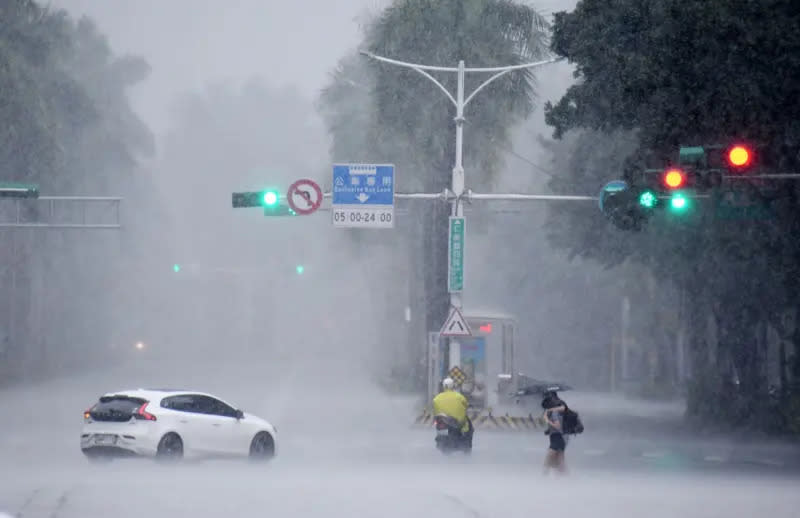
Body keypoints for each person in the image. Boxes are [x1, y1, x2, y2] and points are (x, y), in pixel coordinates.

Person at [432, 377, 473, 445]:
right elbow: (466, 405)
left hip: (442, 421)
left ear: (443, 386)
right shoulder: (459, 396)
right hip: (457, 423)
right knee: (466, 426)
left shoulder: (436, 398)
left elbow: (435, 409)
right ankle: (466, 444)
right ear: (453, 386)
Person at [542, 392, 568, 475]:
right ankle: (566, 478)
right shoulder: (556, 409)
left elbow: (557, 426)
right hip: (560, 437)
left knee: (549, 458)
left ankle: (543, 477)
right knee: (560, 459)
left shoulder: (554, 412)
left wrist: (547, 420)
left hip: (557, 437)